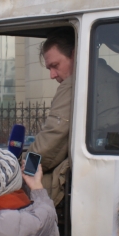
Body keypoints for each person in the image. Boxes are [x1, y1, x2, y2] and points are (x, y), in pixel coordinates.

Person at [29, 28, 76, 206]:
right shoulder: (105, 76)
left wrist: (25, 168)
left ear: (75, 54)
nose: (52, 75)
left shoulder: (72, 84)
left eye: (55, 66)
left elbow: (52, 138)